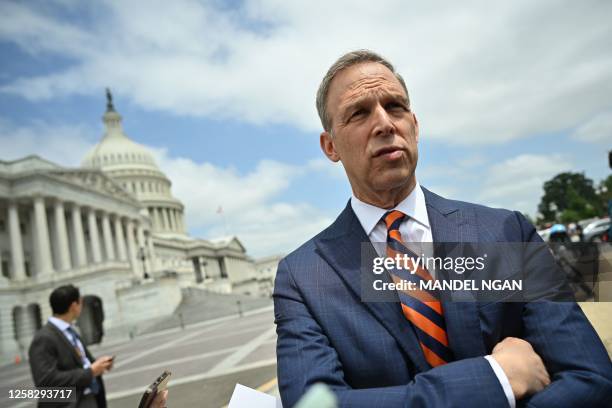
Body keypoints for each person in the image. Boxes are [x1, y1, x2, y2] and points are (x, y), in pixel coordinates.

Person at [273, 50, 612, 407]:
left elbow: (591, 377)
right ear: (330, 146)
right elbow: (312, 403)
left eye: (396, 107)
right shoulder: (303, 277)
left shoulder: (505, 231)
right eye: (359, 113)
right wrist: (497, 378)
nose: (385, 123)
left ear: (415, 127)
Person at [28, 284, 168, 407]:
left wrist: (98, 365)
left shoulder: (70, 331)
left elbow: (80, 363)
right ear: (73, 306)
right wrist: (91, 372)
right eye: (80, 302)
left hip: (89, 399)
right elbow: (46, 382)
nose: (81, 306)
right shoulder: (44, 338)